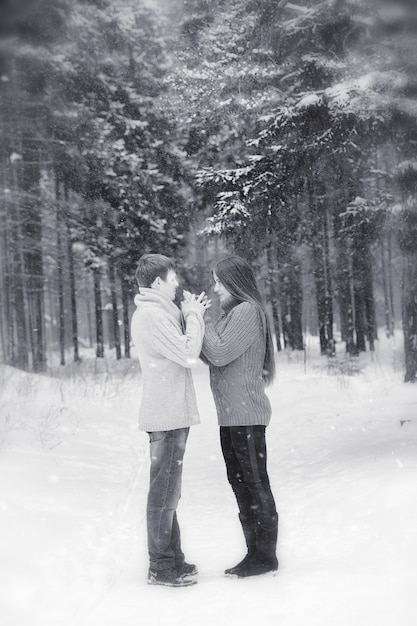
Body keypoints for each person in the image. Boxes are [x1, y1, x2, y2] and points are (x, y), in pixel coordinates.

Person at [130, 253, 210, 587]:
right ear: (158, 282)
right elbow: (189, 352)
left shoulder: (160, 312)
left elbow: (181, 331)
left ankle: (171, 558)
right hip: (165, 416)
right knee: (163, 493)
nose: (177, 283)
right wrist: (193, 315)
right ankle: (160, 565)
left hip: (171, 412)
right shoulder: (150, 316)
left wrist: (190, 311)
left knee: (169, 492)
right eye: (173, 278)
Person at [201, 255, 279, 578]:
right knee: (240, 483)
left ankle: (265, 556)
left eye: (219, 280)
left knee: (255, 483)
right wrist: (198, 320)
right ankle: (254, 553)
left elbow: (217, 352)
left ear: (234, 282)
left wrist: (201, 321)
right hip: (231, 416)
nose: (215, 287)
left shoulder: (247, 312)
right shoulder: (231, 315)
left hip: (245, 415)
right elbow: (212, 355)